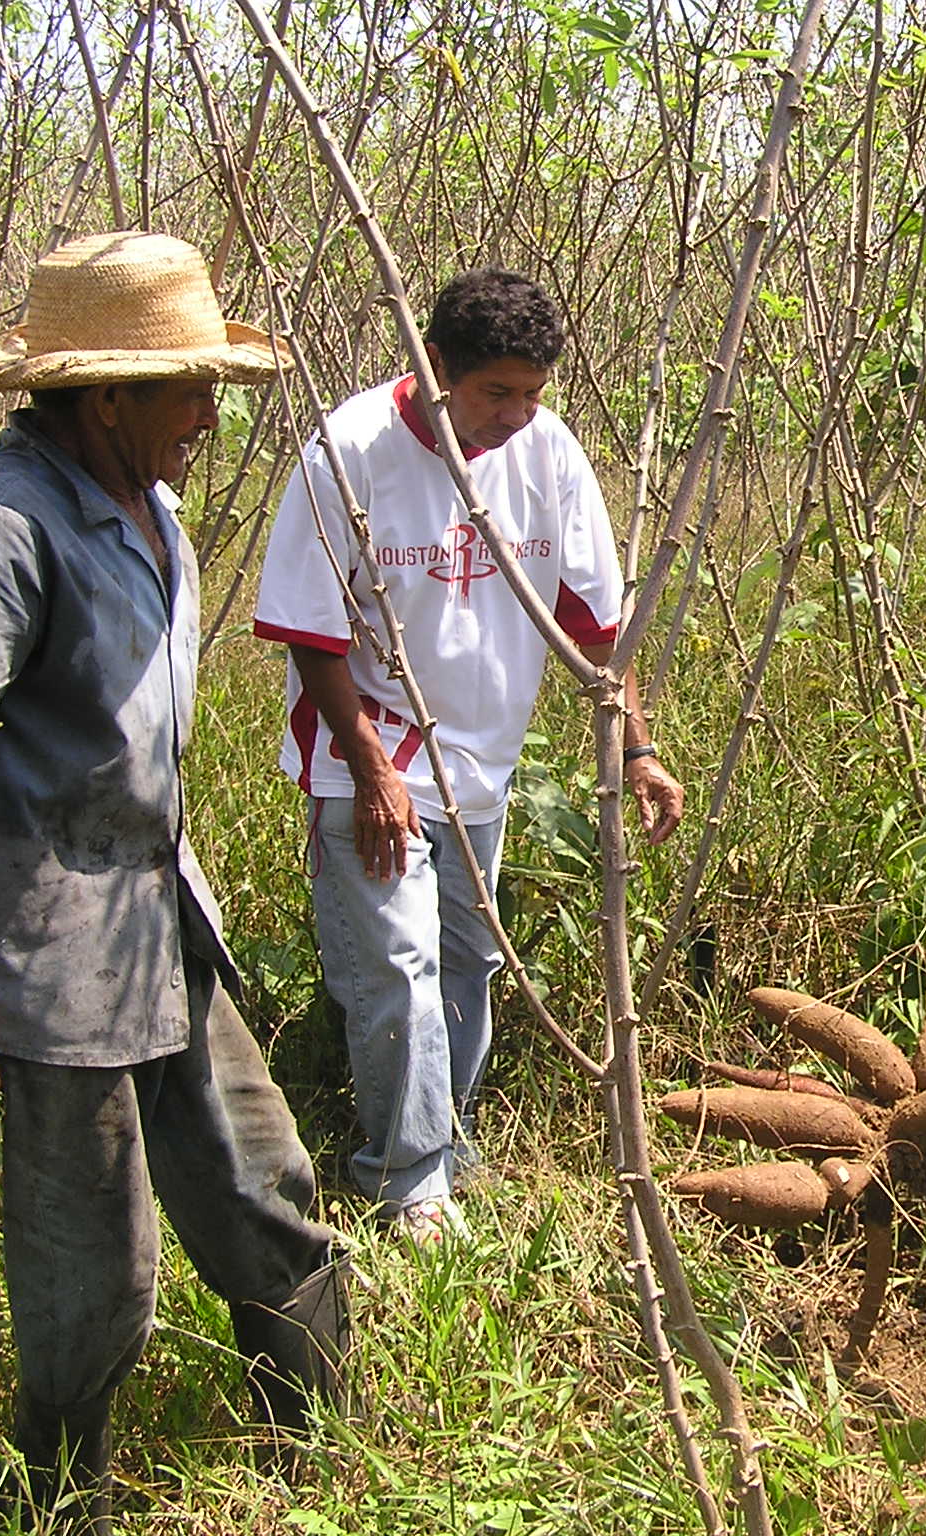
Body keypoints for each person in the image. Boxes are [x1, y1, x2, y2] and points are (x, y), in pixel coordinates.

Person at [0, 231, 346, 1530]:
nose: (206, 416)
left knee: (262, 1187)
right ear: (104, 394)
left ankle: (330, 1463)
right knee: (92, 1281)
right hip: (42, 954)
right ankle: (65, 1505)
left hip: (160, 917)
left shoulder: (149, 503)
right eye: (185, 389)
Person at [252, 267, 685, 1244]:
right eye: (496, 392)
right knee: (397, 966)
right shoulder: (347, 452)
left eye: (532, 393)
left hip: (481, 759)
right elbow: (311, 637)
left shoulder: (548, 453)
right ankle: (404, 1184)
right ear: (433, 364)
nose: (516, 414)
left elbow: (591, 629)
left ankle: (445, 1145)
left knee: (465, 958)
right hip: (368, 752)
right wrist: (367, 774)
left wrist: (638, 750)